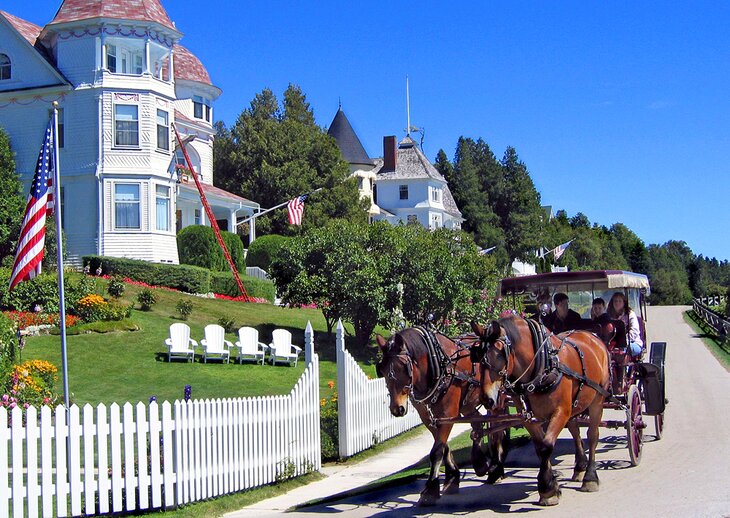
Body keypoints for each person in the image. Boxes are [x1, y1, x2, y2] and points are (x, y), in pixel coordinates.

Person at [607, 292, 643, 358]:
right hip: (613, 345)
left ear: (624, 303)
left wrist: (623, 341)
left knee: (621, 351)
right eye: (615, 301)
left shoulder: (630, 314)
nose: (617, 303)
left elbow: (634, 331)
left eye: (620, 301)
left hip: (633, 343)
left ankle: (624, 368)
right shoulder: (609, 316)